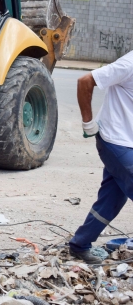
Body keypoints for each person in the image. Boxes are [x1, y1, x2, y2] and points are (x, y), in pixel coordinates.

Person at [69, 50, 133, 263]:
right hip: (115, 141)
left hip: (128, 142)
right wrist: (88, 123)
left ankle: (80, 244)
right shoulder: (129, 64)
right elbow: (85, 81)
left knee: (112, 198)